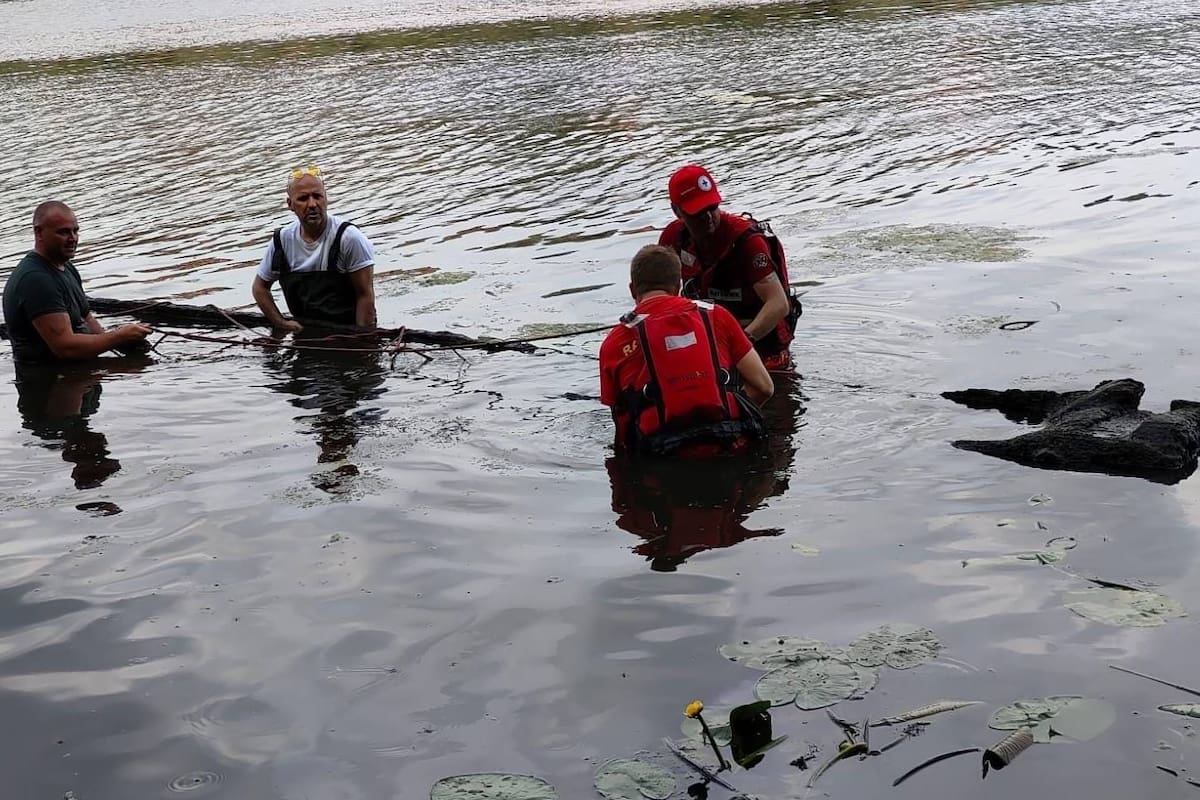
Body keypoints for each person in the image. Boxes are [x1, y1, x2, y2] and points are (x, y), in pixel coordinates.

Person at [599, 244, 773, 456]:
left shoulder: (615, 341)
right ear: (678, 287)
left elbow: (621, 422)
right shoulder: (717, 316)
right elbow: (765, 387)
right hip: (727, 446)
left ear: (632, 289)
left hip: (659, 458)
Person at [658, 164, 798, 371]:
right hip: (712, 338)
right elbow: (659, 294)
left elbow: (778, 303)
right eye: (697, 212)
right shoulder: (674, 238)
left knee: (769, 396)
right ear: (676, 211)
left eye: (712, 207)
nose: (708, 218)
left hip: (761, 341)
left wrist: (740, 343)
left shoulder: (747, 241)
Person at [2, 201, 152, 364]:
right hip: (51, 381)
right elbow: (65, 348)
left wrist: (123, 341)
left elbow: (87, 319)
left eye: (75, 231)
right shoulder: (35, 279)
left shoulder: (67, 267)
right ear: (39, 233)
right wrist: (118, 336)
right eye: (63, 232)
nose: (72, 238)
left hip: (81, 373)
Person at [251, 166, 377, 331]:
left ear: (326, 199)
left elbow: (365, 295)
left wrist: (363, 341)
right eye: (303, 199)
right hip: (305, 330)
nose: (312, 204)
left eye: (317, 196)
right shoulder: (282, 240)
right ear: (290, 204)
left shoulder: (349, 238)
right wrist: (280, 323)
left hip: (347, 330)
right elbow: (260, 288)